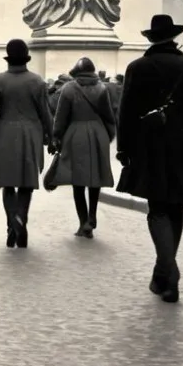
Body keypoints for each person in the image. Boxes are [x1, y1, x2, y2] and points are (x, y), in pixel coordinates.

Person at [116, 14, 183, 304]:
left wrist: (124, 148)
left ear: (150, 38)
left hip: (149, 143)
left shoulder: (137, 67)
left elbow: (126, 113)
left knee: (157, 208)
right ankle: (163, 272)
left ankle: (168, 271)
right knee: (177, 207)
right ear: (173, 37)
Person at [0, 38, 52, 248]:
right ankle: (21, 218)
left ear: (8, 59)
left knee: (8, 185)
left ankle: (11, 224)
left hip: (4, 135)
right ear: (26, 59)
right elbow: (45, 114)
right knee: (26, 184)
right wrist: (52, 137)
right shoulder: (37, 82)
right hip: (30, 135)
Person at [50, 56, 115, 238]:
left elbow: (61, 117)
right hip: (98, 132)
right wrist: (108, 136)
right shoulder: (102, 88)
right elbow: (109, 116)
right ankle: (93, 216)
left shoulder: (69, 89)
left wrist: (56, 136)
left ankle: (83, 222)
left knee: (77, 181)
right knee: (95, 178)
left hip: (76, 133)